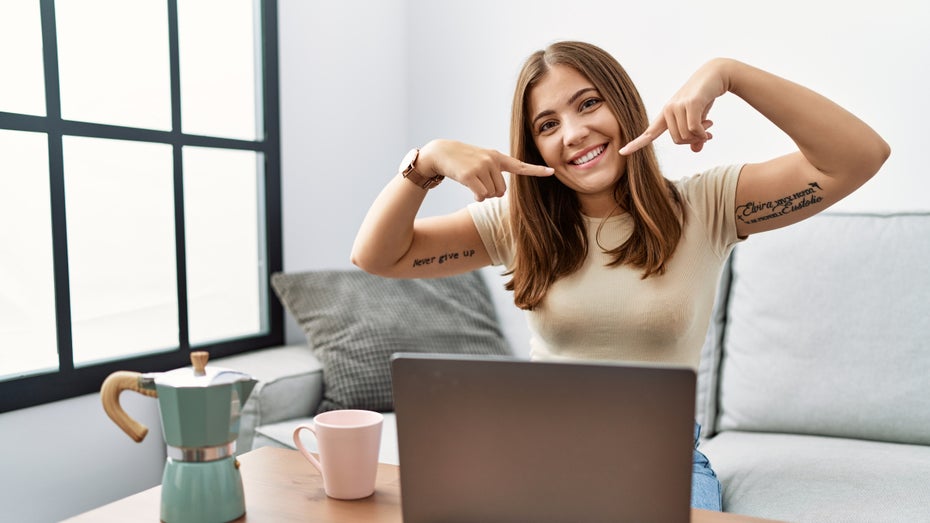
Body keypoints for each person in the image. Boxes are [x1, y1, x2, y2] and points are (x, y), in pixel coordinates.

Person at [350, 41, 890, 511]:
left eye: (588, 104)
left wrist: (729, 73)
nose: (575, 133)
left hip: (663, 465)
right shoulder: (517, 226)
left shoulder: (708, 205)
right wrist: (423, 163)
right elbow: (378, 256)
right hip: (537, 455)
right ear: (534, 146)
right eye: (548, 124)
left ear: (624, 104)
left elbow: (857, 158)